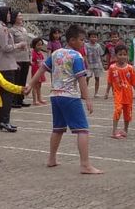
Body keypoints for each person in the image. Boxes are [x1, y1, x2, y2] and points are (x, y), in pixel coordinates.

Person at [25, 24, 102, 174]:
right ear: (72, 40)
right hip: (70, 96)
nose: (83, 43)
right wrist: (87, 99)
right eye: (81, 40)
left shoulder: (56, 53)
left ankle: (51, 159)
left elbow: (42, 69)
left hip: (55, 95)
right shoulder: (77, 57)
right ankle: (85, 165)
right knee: (83, 130)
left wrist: (30, 84)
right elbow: (81, 79)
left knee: (58, 128)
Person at [0, 7, 26, 132]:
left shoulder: (1, 27)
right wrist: (19, 45)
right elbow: (5, 47)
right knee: (7, 94)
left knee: (6, 94)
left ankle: (4, 120)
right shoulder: (2, 28)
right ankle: (4, 120)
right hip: (4, 65)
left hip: (6, 63)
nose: (10, 15)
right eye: (8, 13)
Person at [104, 45, 135, 139]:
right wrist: (107, 92)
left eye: (124, 54)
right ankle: (114, 131)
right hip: (117, 93)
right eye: (120, 54)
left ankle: (125, 130)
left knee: (128, 112)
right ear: (115, 56)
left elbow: (134, 81)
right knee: (118, 110)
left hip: (128, 94)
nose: (122, 56)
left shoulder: (130, 68)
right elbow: (110, 81)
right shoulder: (112, 68)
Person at [10, 11, 32, 108]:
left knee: (23, 79)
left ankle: (20, 98)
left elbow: (27, 43)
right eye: (19, 16)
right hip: (17, 57)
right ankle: (14, 99)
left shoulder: (23, 29)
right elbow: (11, 45)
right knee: (16, 79)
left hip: (25, 57)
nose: (21, 17)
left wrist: (29, 55)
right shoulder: (12, 30)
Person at [85, 30, 104, 98]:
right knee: (87, 78)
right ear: (89, 38)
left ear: (97, 38)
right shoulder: (86, 45)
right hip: (89, 65)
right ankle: (85, 92)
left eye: (95, 37)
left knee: (97, 78)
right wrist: (86, 63)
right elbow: (85, 55)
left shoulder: (98, 46)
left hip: (97, 65)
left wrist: (102, 64)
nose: (94, 38)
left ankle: (96, 93)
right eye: (92, 37)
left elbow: (101, 55)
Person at [30, 37, 47, 105]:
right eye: (38, 45)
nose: (40, 46)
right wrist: (32, 63)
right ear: (34, 45)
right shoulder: (33, 53)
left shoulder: (41, 53)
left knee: (39, 85)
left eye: (41, 45)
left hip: (40, 71)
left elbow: (42, 61)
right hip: (35, 70)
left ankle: (39, 98)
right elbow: (31, 61)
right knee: (34, 85)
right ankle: (35, 100)